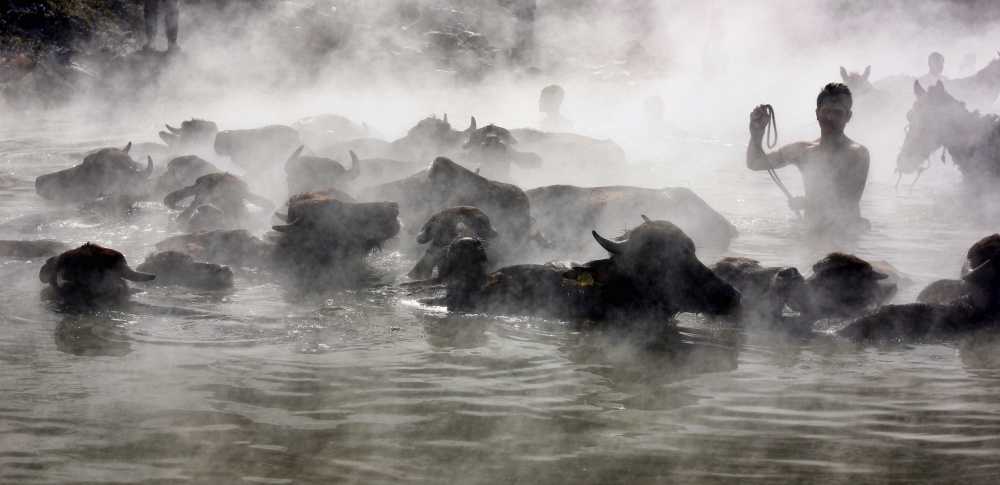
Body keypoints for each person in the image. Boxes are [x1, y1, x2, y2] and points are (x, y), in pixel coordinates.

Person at [746, 83, 871, 234]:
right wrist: (758, 132)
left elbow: (848, 203)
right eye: (826, 111)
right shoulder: (803, 151)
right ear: (817, 113)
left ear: (848, 116)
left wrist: (807, 203)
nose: (830, 118)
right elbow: (755, 163)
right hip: (812, 230)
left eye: (838, 113)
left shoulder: (857, 153)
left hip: (845, 233)